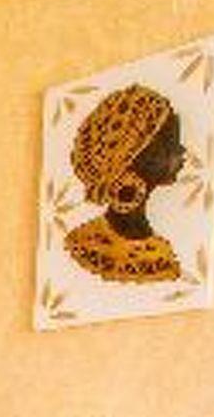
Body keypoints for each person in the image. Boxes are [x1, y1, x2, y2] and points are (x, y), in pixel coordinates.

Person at [64, 83, 187, 283]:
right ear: (132, 153)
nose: (181, 151)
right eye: (170, 143)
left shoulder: (161, 253)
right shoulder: (88, 245)